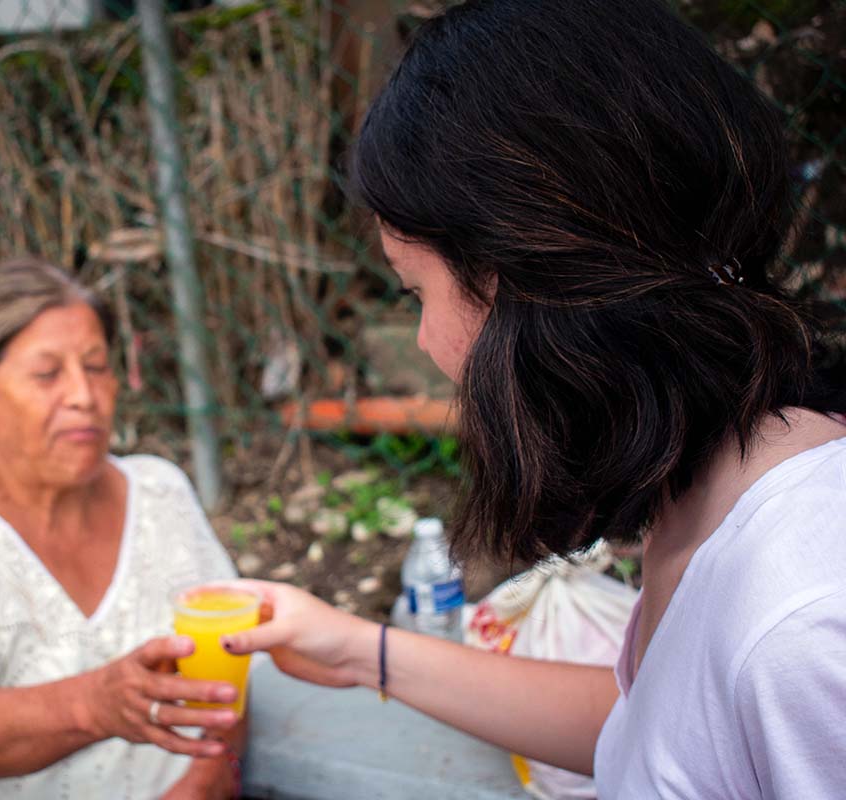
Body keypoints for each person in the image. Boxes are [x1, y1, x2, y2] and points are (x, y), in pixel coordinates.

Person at [219, 1, 846, 797]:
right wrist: (354, 648)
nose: (422, 343)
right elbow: (650, 731)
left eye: (417, 292)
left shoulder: (808, 623)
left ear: (529, 276)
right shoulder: (719, 491)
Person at [0, 257, 244, 799]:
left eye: (95, 366)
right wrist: (96, 703)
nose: (83, 396)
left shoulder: (161, 495)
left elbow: (232, 660)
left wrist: (204, 782)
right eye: (47, 374)